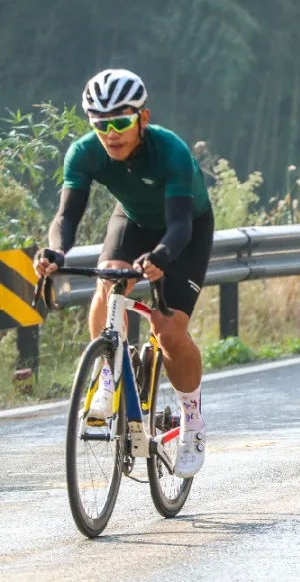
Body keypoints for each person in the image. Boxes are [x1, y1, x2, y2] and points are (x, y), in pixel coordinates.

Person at [34, 69, 213, 478]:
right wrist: (56, 252)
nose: (110, 133)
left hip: (184, 228)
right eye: (100, 124)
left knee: (167, 329)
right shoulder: (83, 153)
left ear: (142, 119)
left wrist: (161, 257)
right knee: (110, 280)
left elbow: (180, 226)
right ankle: (108, 373)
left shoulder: (170, 151)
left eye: (120, 122)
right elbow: (66, 216)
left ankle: (192, 420)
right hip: (132, 220)